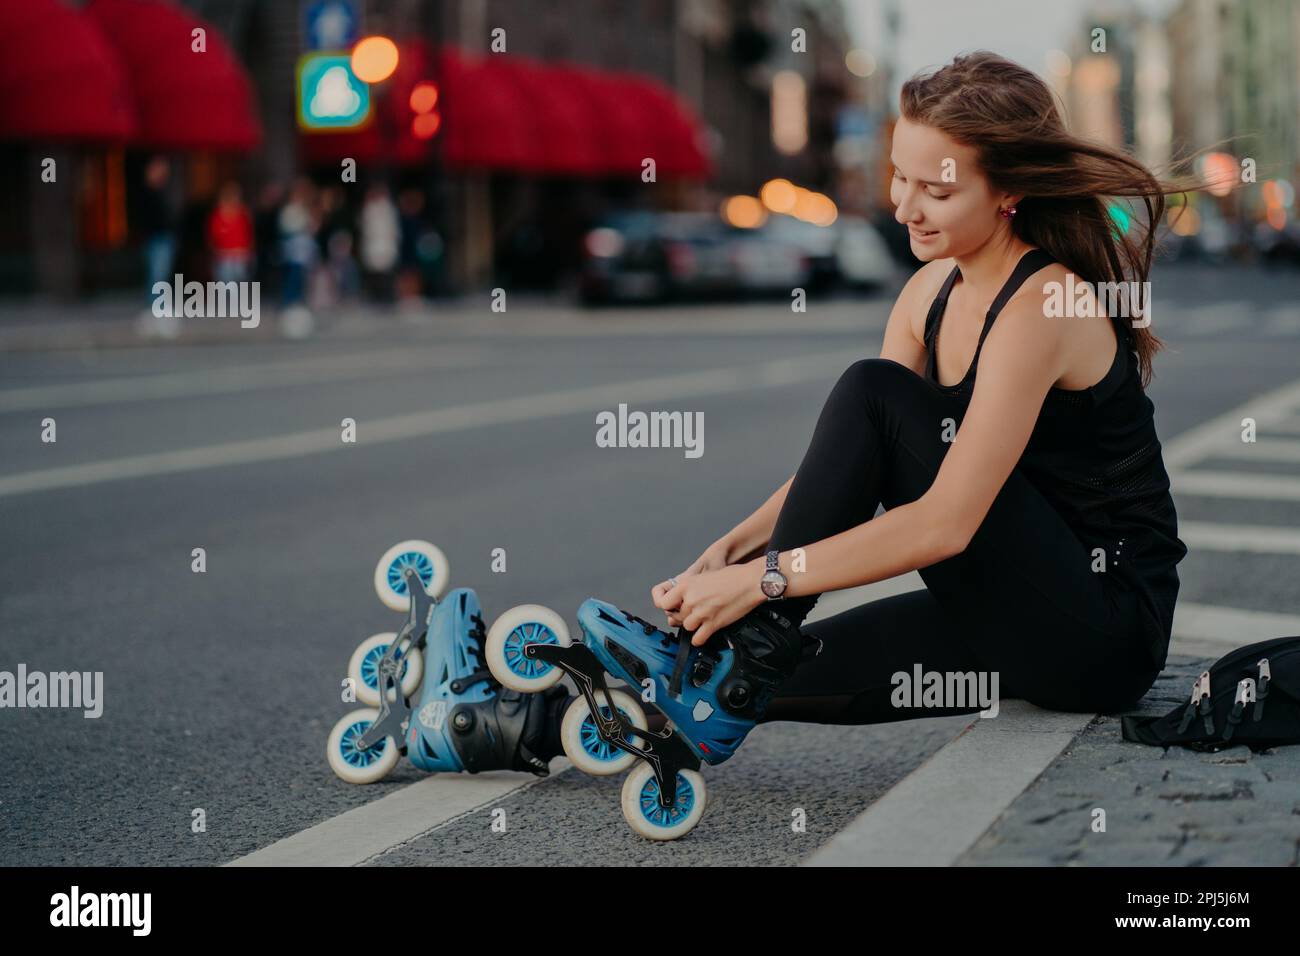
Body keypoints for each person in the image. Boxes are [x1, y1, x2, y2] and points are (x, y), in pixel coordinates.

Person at [645, 50, 1203, 730]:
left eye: (937, 191)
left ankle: (761, 638)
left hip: (1101, 629)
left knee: (871, 389)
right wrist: (733, 551)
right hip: (1008, 603)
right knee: (728, 681)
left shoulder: (1044, 306)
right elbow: (850, 464)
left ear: (1009, 193)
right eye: (899, 179)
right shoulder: (928, 292)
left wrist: (764, 582)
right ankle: (520, 716)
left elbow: (945, 523)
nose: (907, 207)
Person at [207, 182, 253, 284]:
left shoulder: (243, 213)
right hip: (223, 254)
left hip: (240, 253)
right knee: (225, 280)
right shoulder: (218, 215)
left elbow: (247, 233)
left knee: (240, 279)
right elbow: (213, 235)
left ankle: (237, 299)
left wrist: (247, 249)